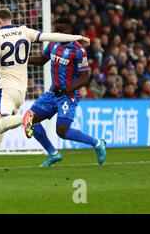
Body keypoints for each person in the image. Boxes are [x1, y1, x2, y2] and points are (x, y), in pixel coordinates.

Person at [0, 8, 90, 171]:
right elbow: (51, 36)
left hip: (5, 89)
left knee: (1, 123)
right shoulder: (24, 31)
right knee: (2, 125)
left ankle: (26, 117)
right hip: (21, 91)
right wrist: (78, 37)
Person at [23, 17, 106, 167]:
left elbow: (84, 77)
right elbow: (42, 60)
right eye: (57, 30)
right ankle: (53, 154)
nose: (58, 33)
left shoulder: (79, 50)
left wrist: (66, 89)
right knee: (30, 119)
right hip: (52, 93)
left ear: (69, 30)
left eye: (61, 30)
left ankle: (97, 143)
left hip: (68, 95)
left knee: (62, 131)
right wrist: (22, 58)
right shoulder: (53, 43)